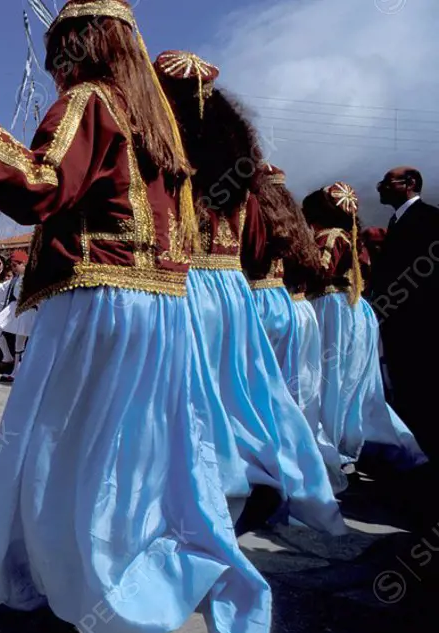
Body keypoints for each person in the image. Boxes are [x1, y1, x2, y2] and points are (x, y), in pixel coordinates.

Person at [0, 3, 271, 633]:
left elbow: (40, 184)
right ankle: (122, 599)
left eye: (59, 53)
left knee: (62, 457)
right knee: (132, 464)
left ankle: (83, 606)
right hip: (159, 309)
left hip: (95, 302)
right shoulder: (159, 124)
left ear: (82, 46)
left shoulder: (93, 101)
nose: (53, 70)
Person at [155, 50, 342, 535]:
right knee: (247, 393)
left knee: (194, 400)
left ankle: (207, 494)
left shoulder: (167, 163)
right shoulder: (241, 181)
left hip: (187, 288)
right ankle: (261, 478)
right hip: (234, 293)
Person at [304, 183, 426, 473]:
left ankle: (333, 446)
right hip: (355, 310)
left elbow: (318, 272)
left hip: (332, 310)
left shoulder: (329, 237)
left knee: (329, 379)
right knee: (355, 382)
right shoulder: (352, 237)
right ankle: (359, 442)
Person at [245, 164, 345, 491]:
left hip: (263, 301)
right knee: (298, 390)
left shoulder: (255, 213)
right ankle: (300, 460)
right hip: (298, 308)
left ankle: (268, 465)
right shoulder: (298, 224)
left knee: (260, 390)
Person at [373, 166, 439, 462]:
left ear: (410, 184)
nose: (380, 188)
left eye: (387, 183)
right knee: (405, 387)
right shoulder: (397, 221)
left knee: (422, 387)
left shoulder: (429, 219)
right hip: (399, 323)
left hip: (420, 324)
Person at [0, 249, 35, 383]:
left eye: (15, 265)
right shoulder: (16, 279)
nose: (13, 269)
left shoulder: (31, 277)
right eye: (12, 266)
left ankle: (17, 372)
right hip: (17, 308)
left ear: (24, 263)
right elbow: (3, 287)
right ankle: (8, 358)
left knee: (21, 343)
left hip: (28, 310)